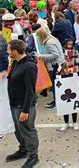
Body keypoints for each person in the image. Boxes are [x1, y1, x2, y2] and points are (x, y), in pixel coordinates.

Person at [4, 39, 39, 167]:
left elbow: (30, 90)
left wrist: (25, 110)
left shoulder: (29, 66)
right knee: (18, 130)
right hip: (14, 103)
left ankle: (33, 155)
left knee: (28, 130)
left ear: (14, 51)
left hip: (23, 106)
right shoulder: (16, 62)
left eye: (8, 49)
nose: (7, 51)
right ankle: (23, 149)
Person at [35, 28, 64, 110]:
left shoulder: (49, 43)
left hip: (56, 65)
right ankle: (56, 100)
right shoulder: (52, 39)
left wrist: (41, 56)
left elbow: (55, 54)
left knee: (55, 85)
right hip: (58, 64)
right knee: (56, 84)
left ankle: (56, 102)